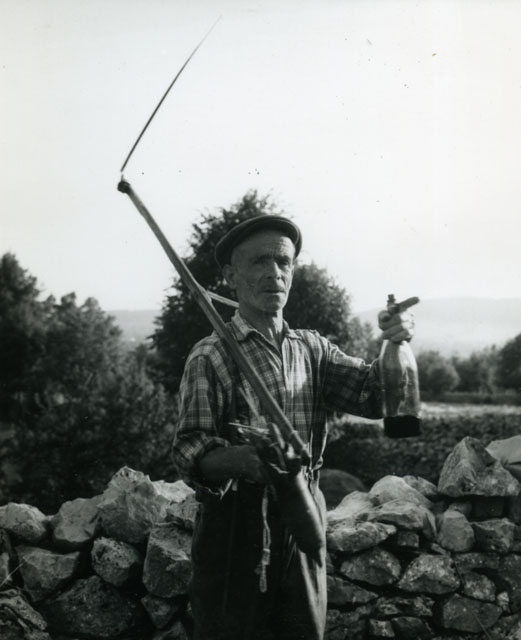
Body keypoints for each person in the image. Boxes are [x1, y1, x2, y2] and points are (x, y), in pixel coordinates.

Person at [172, 215, 415, 640]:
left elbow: (375, 397)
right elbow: (190, 451)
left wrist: (395, 342)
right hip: (237, 529)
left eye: (283, 261)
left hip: (304, 515)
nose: (274, 272)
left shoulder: (313, 349)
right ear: (230, 276)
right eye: (259, 261)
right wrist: (246, 459)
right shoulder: (210, 355)